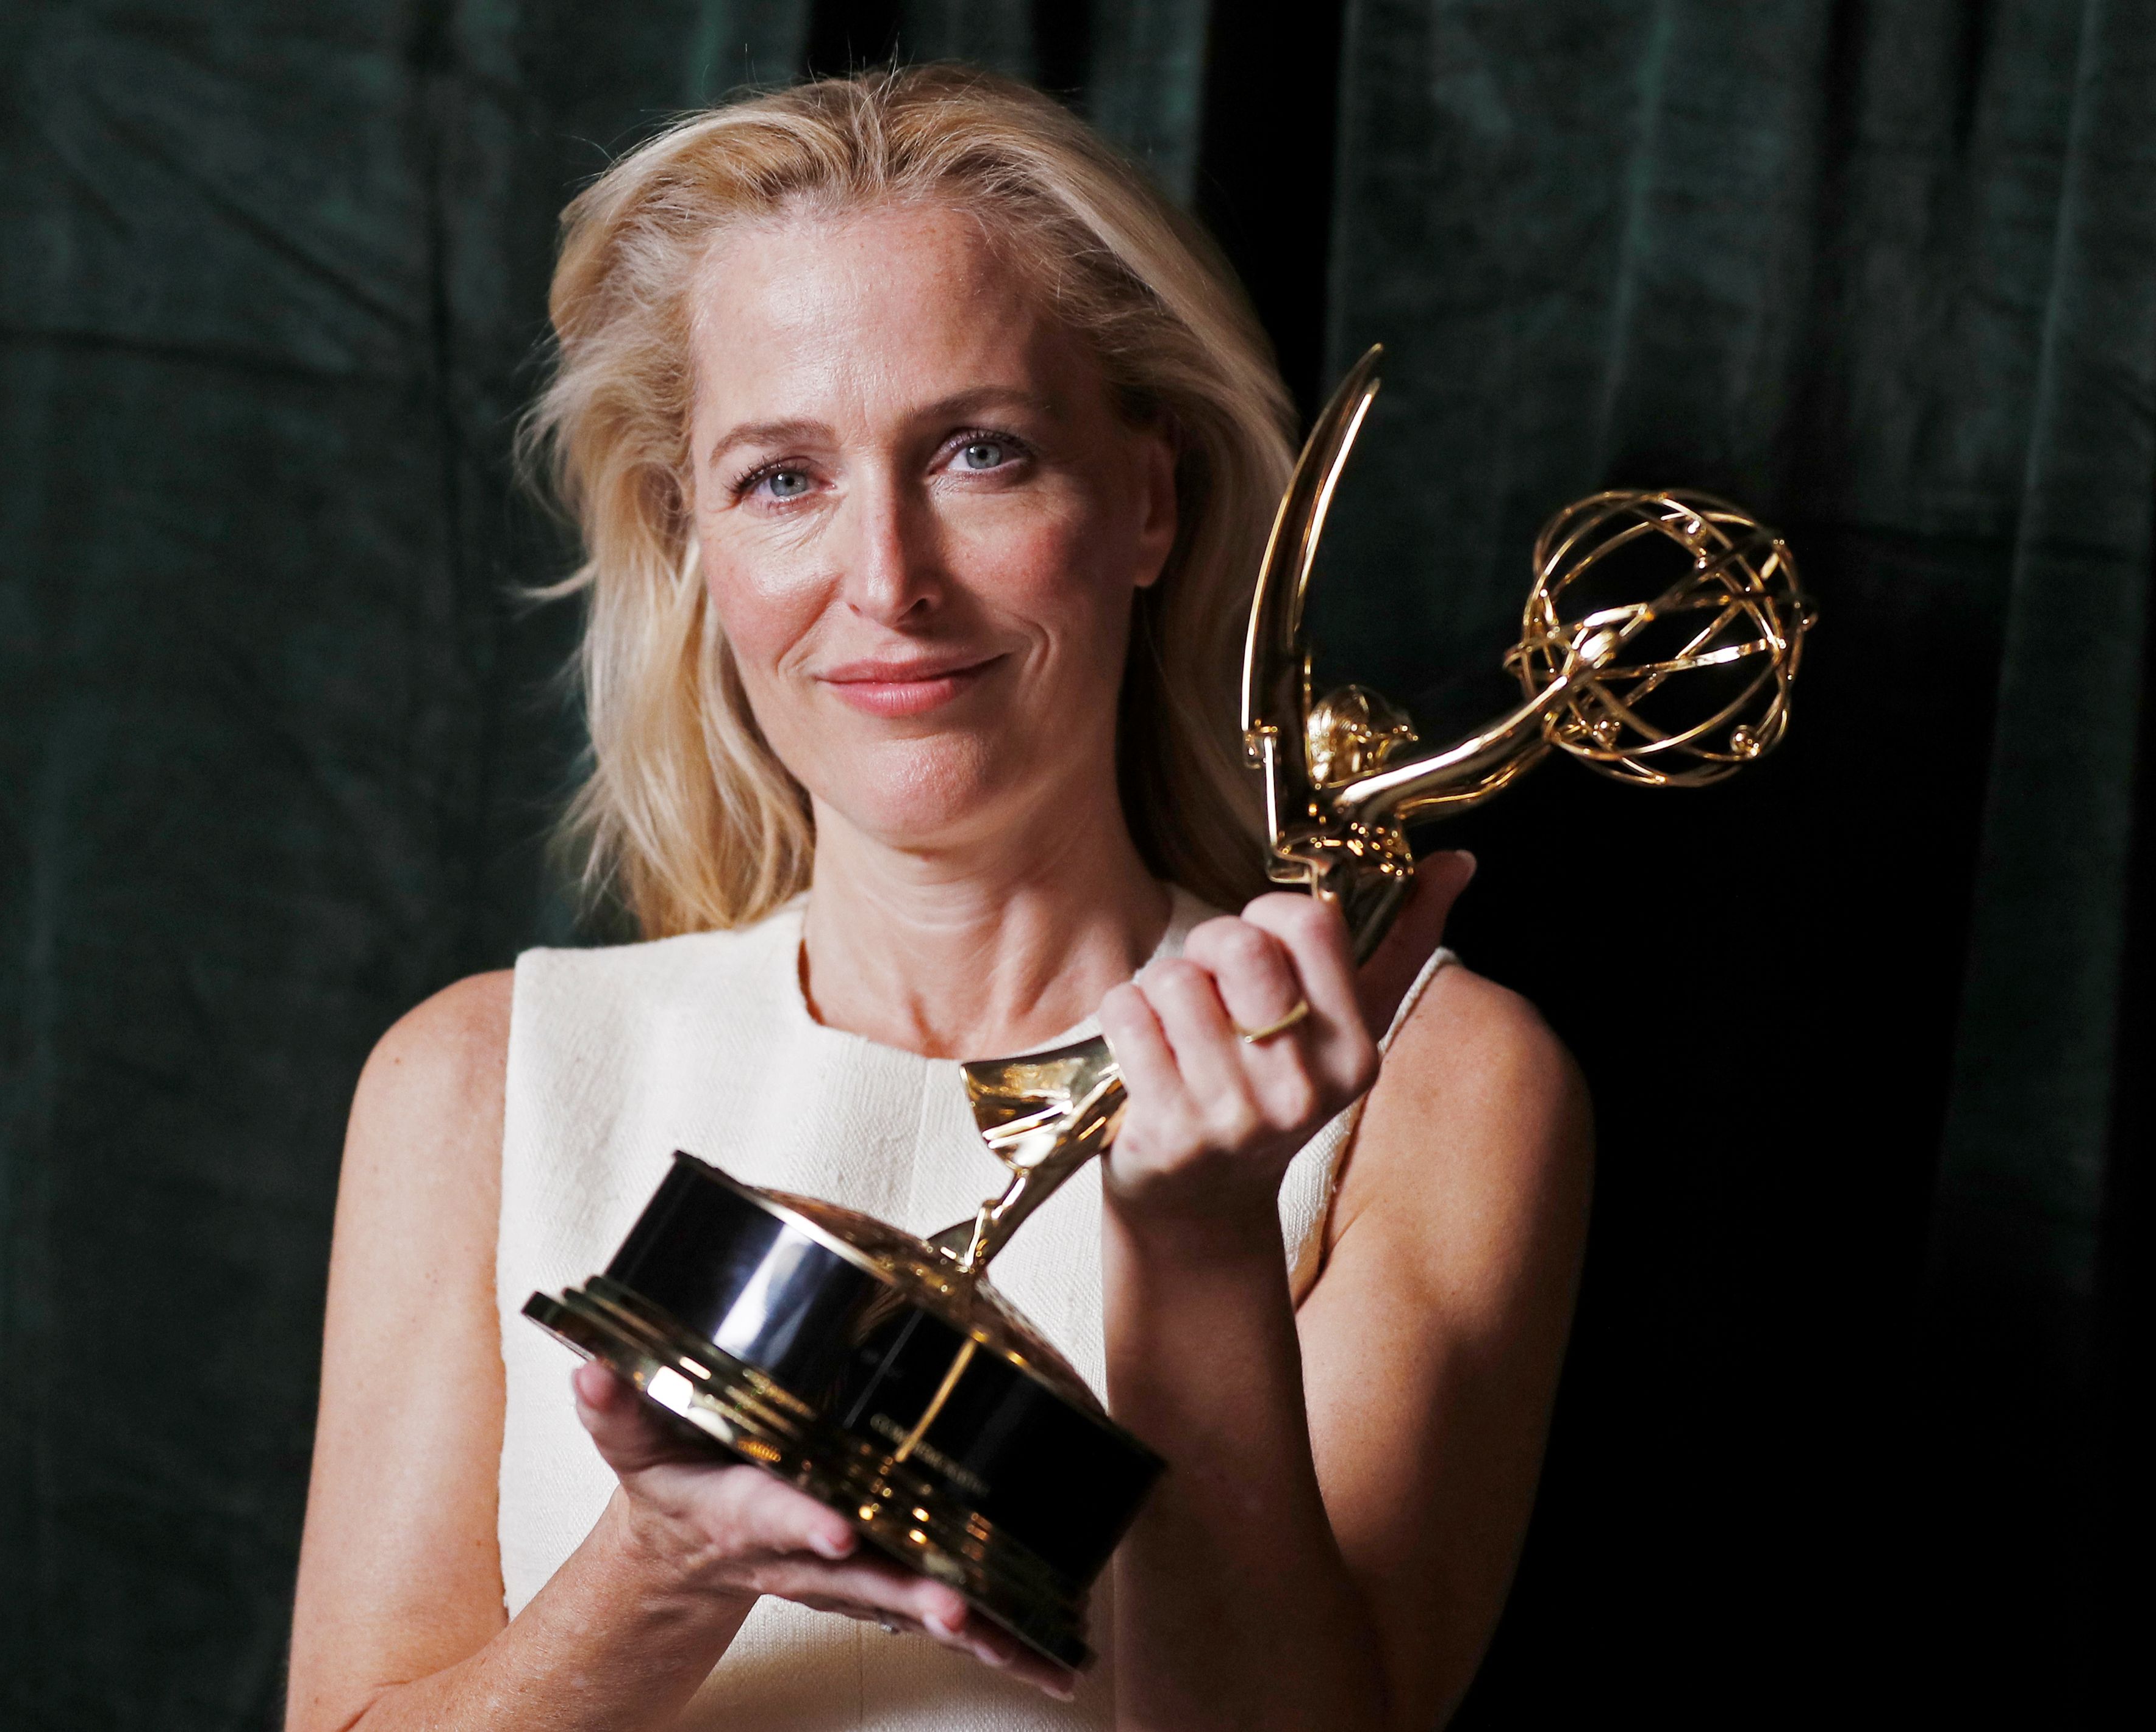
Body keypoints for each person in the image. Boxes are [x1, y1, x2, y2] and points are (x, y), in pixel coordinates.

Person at [285, 65, 1589, 1732]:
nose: (886, 579)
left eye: (980, 453)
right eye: (782, 479)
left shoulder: (1430, 1088)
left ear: (1147, 500)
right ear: (689, 538)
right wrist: (668, 1567)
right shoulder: (478, 1080)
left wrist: (1192, 1250)